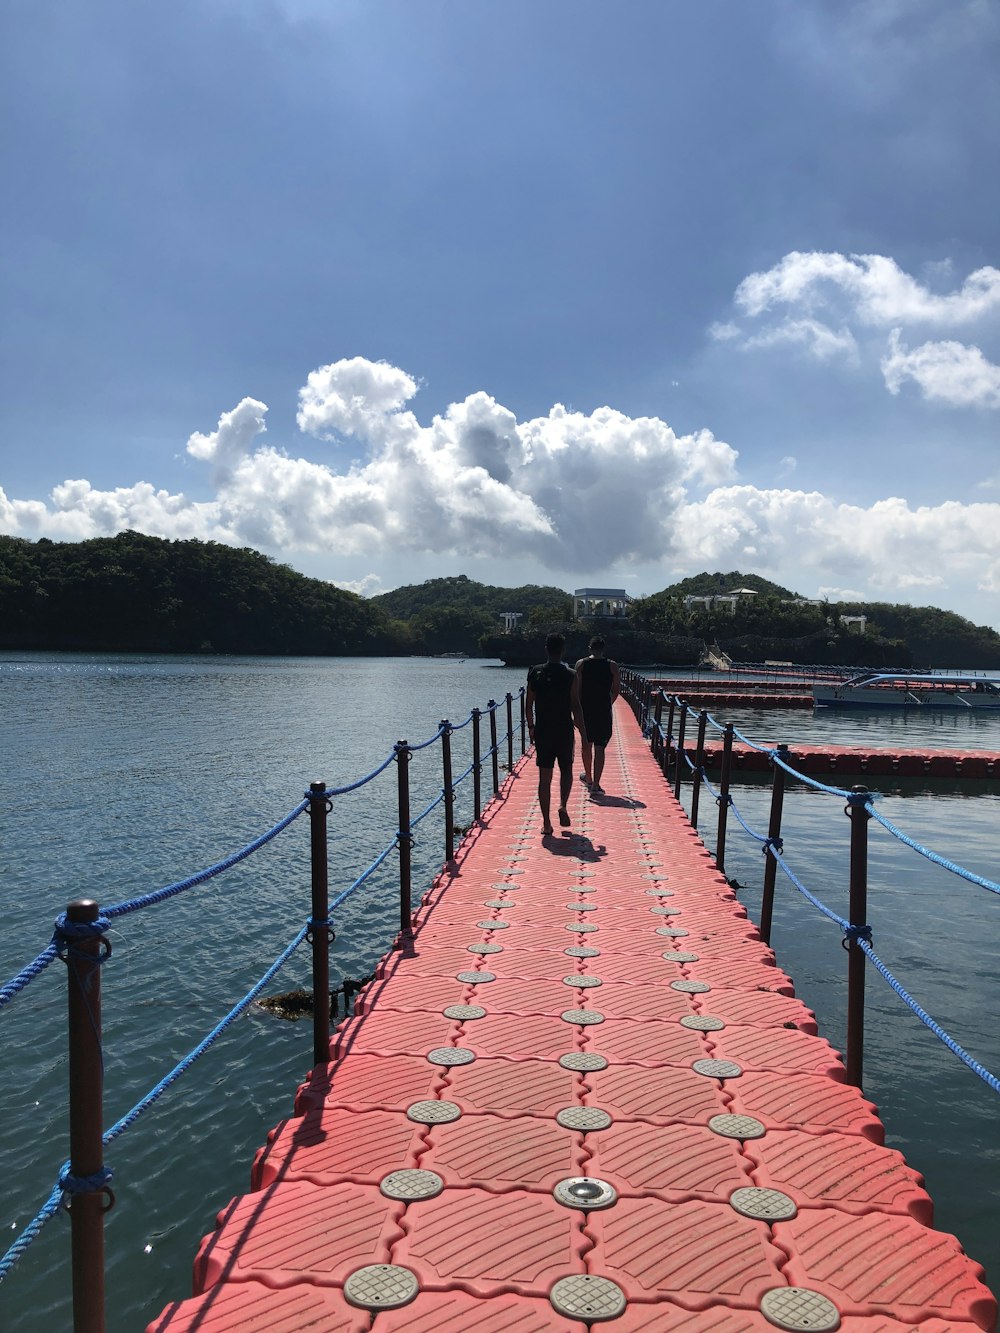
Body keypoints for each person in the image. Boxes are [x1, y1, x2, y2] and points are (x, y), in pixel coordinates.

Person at [525, 632, 586, 836]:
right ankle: (563, 805)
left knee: (545, 777)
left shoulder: (535, 672)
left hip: (543, 730)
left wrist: (531, 727)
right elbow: (575, 706)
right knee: (566, 770)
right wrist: (583, 732)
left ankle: (546, 823)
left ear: (546, 649)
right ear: (563, 651)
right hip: (564, 730)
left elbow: (528, 704)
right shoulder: (571, 675)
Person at [575, 636, 620, 794]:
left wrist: (576, 710)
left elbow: (577, 690)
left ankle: (588, 778)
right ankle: (596, 785)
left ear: (589, 648)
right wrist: (608, 703)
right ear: (603, 649)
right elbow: (616, 690)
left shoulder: (581, 664)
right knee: (600, 747)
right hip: (603, 711)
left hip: (585, 710)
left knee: (586, 745)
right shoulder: (612, 666)